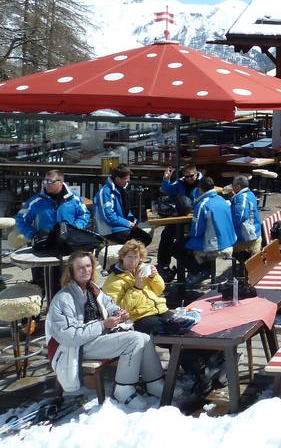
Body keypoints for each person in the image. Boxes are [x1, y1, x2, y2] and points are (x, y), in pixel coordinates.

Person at [46, 251, 164, 410]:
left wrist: (118, 313)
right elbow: (70, 336)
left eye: (88, 266)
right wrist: (103, 325)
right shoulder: (64, 298)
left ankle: (154, 383)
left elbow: (108, 304)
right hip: (75, 348)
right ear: (71, 271)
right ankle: (123, 390)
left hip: (97, 338)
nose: (86, 270)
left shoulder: (92, 288)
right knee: (134, 340)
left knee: (145, 338)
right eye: (80, 268)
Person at [102, 240, 216, 395]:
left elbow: (159, 290)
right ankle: (200, 371)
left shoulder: (140, 270)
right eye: (129, 257)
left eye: (136, 257)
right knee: (174, 334)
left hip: (161, 309)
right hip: (140, 318)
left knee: (189, 326)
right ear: (122, 257)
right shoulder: (113, 281)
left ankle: (210, 361)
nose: (133, 261)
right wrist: (136, 287)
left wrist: (154, 277)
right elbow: (119, 309)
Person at [185, 176, 236, 286]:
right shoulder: (222, 200)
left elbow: (196, 231)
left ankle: (198, 272)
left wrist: (187, 233)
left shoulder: (202, 205)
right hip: (228, 241)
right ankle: (203, 270)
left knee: (177, 247)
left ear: (200, 189)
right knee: (196, 241)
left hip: (215, 245)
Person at [15, 169, 90, 241]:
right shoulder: (35, 201)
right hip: (44, 244)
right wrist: (33, 235)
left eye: (50, 181)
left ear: (61, 182)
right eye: (45, 181)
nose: (47, 184)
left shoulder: (74, 199)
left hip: (69, 242)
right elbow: (21, 219)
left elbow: (84, 214)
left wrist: (75, 228)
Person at [157, 164, 202, 280]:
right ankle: (163, 266)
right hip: (182, 216)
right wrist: (166, 179)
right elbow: (168, 190)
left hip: (197, 218)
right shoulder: (180, 182)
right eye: (186, 176)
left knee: (182, 243)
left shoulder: (203, 183)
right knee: (166, 234)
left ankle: (193, 270)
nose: (189, 178)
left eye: (191, 176)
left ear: (196, 173)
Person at [94, 164, 152, 246]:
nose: (128, 182)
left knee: (147, 239)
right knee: (139, 243)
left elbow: (126, 211)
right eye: (126, 180)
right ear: (118, 179)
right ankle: (127, 254)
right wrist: (128, 223)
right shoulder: (105, 192)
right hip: (109, 230)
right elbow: (108, 216)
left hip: (121, 226)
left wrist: (134, 221)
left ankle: (131, 254)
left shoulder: (120, 190)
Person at [230, 174, 261, 258]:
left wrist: (229, 227)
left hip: (247, 238)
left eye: (233, 185)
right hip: (256, 232)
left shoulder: (241, 198)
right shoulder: (251, 194)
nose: (232, 187)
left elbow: (241, 216)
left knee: (224, 245)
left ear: (238, 186)